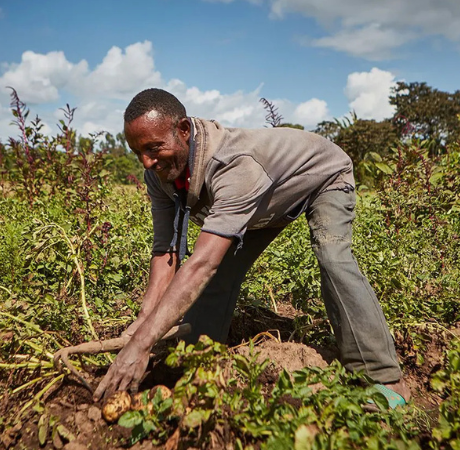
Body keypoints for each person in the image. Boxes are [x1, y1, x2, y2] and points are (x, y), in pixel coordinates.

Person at [93, 88, 409, 408]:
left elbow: (202, 263)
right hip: (266, 198)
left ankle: (383, 377)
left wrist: (143, 344)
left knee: (333, 256)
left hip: (322, 177)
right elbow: (166, 250)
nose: (146, 161)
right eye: (137, 152)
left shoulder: (235, 166)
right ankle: (193, 363)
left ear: (184, 130)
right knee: (219, 278)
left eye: (154, 147)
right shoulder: (159, 174)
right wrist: (143, 326)